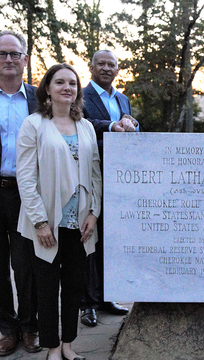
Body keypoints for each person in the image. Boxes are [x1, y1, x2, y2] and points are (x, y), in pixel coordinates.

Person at [16, 63, 102, 360]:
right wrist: (39, 222)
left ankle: (68, 345)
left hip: (80, 225)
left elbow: (95, 174)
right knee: (47, 288)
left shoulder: (86, 126)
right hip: (46, 224)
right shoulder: (34, 124)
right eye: (60, 82)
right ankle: (52, 347)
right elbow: (25, 177)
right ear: (48, 89)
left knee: (75, 287)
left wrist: (94, 213)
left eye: (73, 83)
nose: (68, 87)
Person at [80, 49, 138, 327]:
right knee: (88, 241)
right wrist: (113, 126)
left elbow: (127, 127)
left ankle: (105, 297)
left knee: (109, 241)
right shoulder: (81, 95)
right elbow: (83, 124)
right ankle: (87, 304)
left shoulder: (122, 97)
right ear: (91, 67)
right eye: (100, 64)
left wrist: (132, 123)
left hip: (119, 179)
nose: (106, 68)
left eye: (111, 65)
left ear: (117, 70)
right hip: (90, 175)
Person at [0, 30, 41, 356]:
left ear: (25, 59)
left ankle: (29, 327)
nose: (9, 59)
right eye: (2, 54)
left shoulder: (40, 99)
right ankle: (7, 330)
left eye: (15, 54)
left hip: (28, 194)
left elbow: (75, 123)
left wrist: (113, 124)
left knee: (27, 265)